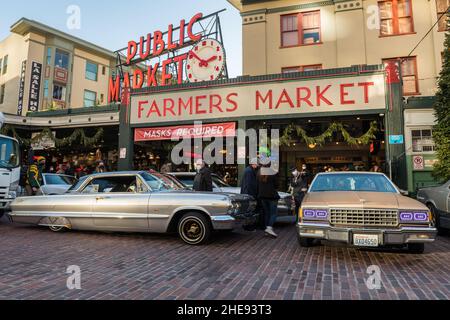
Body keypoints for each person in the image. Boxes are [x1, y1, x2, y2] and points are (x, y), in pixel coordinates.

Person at [257, 156, 280, 238]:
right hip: (272, 196)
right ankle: (269, 228)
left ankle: (267, 230)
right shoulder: (272, 172)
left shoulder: (259, 173)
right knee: (273, 213)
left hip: (262, 196)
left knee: (267, 213)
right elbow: (276, 185)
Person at [240, 158, 260, 229]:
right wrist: (252, 195)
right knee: (249, 211)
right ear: (253, 164)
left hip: (248, 193)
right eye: (257, 164)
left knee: (248, 211)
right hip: (249, 194)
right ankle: (247, 226)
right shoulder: (249, 171)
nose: (258, 165)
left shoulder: (249, 170)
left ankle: (248, 226)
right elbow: (249, 184)